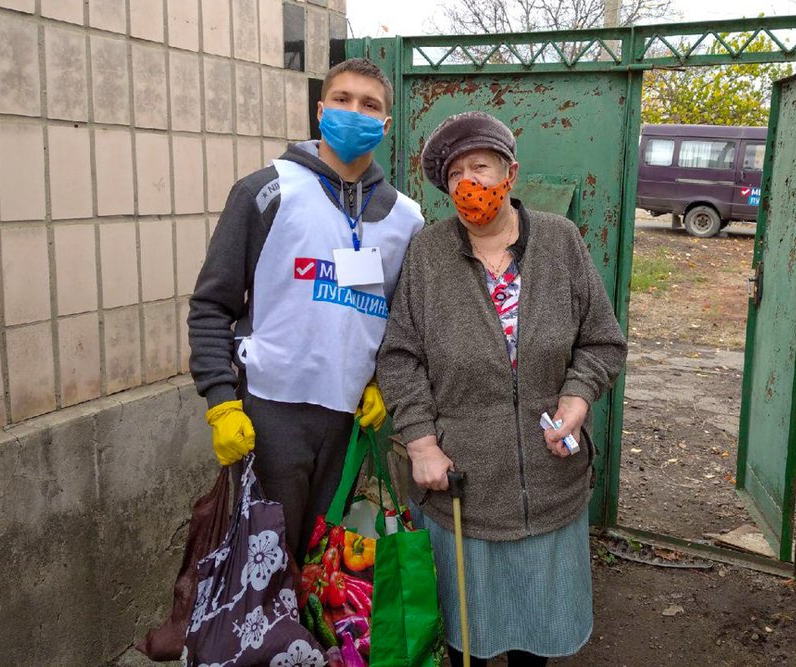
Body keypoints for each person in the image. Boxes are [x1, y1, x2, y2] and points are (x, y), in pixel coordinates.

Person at [376, 111, 628, 666]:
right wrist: (420, 440)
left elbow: (602, 342)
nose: (471, 183)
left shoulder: (560, 242)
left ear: (510, 174)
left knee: (535, 634)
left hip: (550, 479)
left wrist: (578, 395)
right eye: (456, 173)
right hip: (464, 486)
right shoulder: (428, 254)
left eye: (481, 167)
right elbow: (399, 358)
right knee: (469, 635)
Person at [187, 58, 424, 562]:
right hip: (270, 411)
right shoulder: (266, 191)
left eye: (370, 105)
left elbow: (403, 322)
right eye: (342, 100)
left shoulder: (406, 219)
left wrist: (384, 381)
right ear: (320, 110)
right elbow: (211, 304)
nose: (353, 112)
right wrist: (220, 401)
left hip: (347, 419)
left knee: (322, 564)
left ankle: (312, 644)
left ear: (384, 126)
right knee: (263, 566)